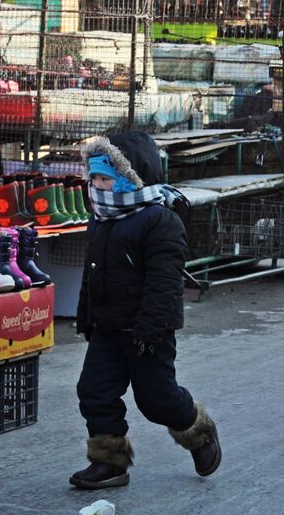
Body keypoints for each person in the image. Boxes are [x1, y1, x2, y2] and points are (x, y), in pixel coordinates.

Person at [71, 131, 220, 491]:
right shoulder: (102, 218)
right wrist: (87, 317)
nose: (98, 186)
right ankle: (108, 462)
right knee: (94, 392)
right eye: (94, 178)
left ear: (131, 177)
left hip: (147, 332)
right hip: (108, 328)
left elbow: (164, 285)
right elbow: (93, 274)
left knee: (156, 400)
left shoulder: (159, 220)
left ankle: (199, 432)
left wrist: (150, 333)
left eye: (106, 178)